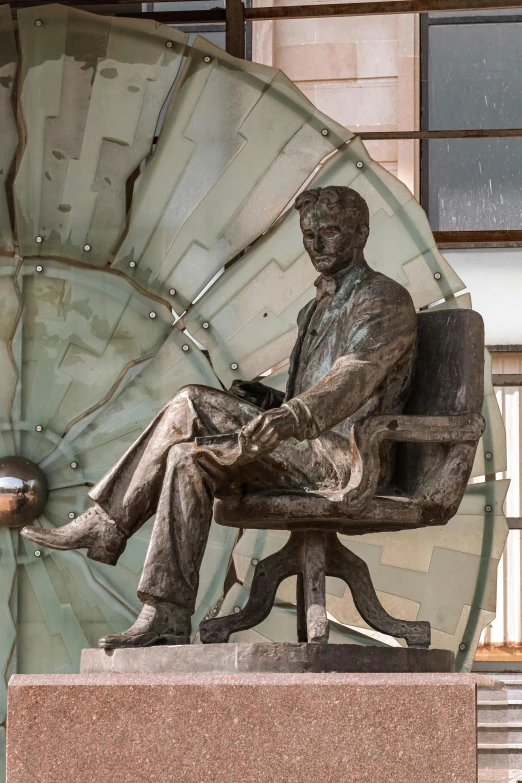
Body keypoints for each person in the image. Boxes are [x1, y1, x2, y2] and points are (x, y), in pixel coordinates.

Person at [21, 185, 417, 648]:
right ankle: (166, 614)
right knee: (187, 459)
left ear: (361, 232)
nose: (317, 245)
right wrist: (269, 400)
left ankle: (108, 524)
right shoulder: (315, 308)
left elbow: (355, 375)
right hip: (305, 445)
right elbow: (308, 394)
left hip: (347, 460)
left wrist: (291, 415)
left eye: (329, 232)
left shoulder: (384, 299)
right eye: (309, 235)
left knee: (191, 400)